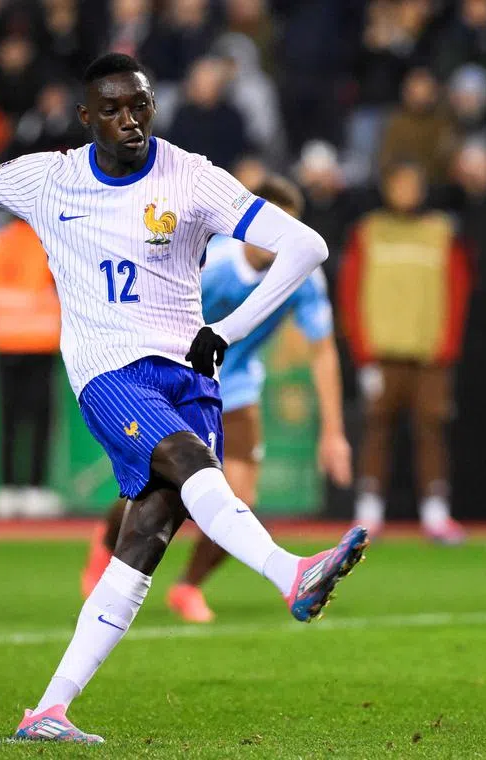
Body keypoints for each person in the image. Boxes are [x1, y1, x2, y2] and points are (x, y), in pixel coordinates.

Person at [0, 52, 368, 744]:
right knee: (196, 469)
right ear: (86, 118)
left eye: (139, 106)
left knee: (142, 543)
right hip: (109, 373)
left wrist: (225, 330)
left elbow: (306, 246)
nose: (128, 120)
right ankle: (291, 574)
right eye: (111, 109)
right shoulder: (48, 178)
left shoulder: (192, 176)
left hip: (187, 373)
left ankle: (48, 711)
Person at [82, 174, 353, 622]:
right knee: (165, 487)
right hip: (177, 383)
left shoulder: (302, 275)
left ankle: (188, 586)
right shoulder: (213, 260)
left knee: (241, 494)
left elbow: (322, 349)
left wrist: (333, 431)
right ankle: (106, 546)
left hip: (239, 387)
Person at [339, 162, 471, 543]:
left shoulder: (440, 233)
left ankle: (436, 514)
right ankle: (368, 514)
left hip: (429, 356)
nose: (406, 192)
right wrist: (363, 355)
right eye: (399, 184)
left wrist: (447, 348)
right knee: (376, 431)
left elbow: (457, 291)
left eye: (413, 185)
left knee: (431, 431)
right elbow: (351, 293)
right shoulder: (370, 231)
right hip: (382, 355)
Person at [0, 219, 63, 519]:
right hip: (41, 341)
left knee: (8, 419)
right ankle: (36, 488)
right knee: (40, 421)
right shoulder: (49, 242)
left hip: (4, 341)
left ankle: (7, 488)